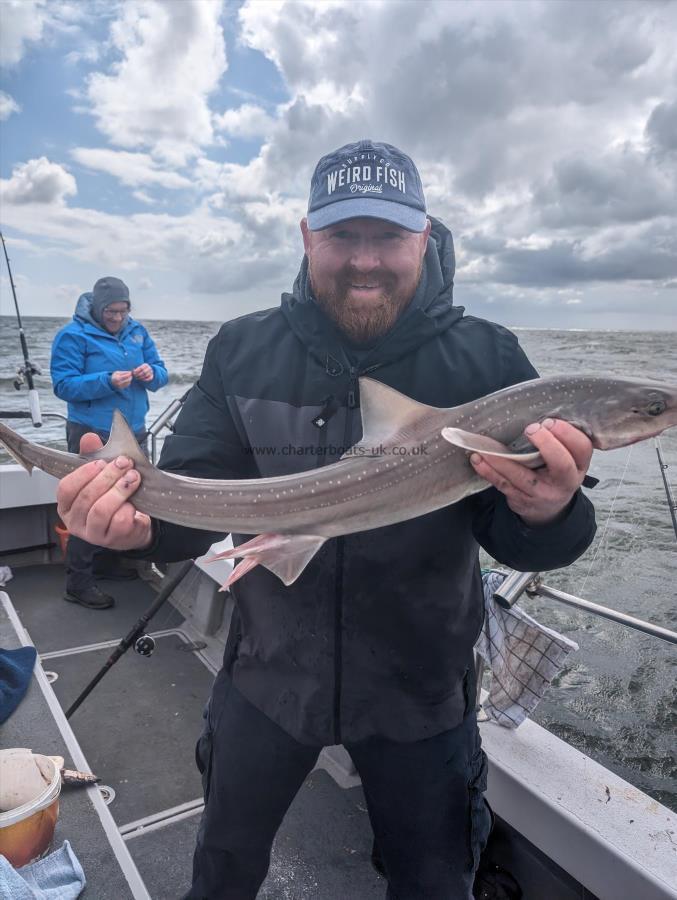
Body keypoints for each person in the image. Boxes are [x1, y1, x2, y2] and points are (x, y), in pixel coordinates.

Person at [54, 141, 596, 898]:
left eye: (387, 237)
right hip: (267, 671)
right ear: (307, 236)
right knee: (222, 865)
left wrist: (552, 512)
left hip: (420, 689)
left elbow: (524, 540)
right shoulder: (244, 350)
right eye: (344, 236)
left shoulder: (487, 361)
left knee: (434, 880)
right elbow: (195, 501)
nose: (365, 260)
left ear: (424, 236)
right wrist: (136, 525)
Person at [50, 276, 168, 610]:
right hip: (94, 432)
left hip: (133, 431)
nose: (118, 318)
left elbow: (162, 375)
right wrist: (106, 381)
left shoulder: (137, 331)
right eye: (111, 311)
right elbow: (64, 385)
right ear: (98, 308)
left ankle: (108, 563)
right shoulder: (72, 335)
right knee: (91, 501)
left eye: (123, 310)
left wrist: (151, 374)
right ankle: (78, 583)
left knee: (128, 501)